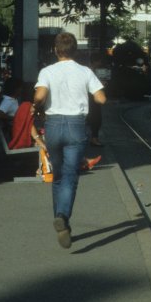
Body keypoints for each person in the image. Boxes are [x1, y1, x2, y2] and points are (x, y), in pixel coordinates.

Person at [33, 32, 106, 250]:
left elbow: (40, 96)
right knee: (71, 176)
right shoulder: (85, 72)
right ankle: (63, 217)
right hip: (76, 126)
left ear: (55, 50)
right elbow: (101, 98)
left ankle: (61, 220)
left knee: (58, 175)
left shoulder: (47, 71)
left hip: (53, 126)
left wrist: (35, 104)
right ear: (75, 51)